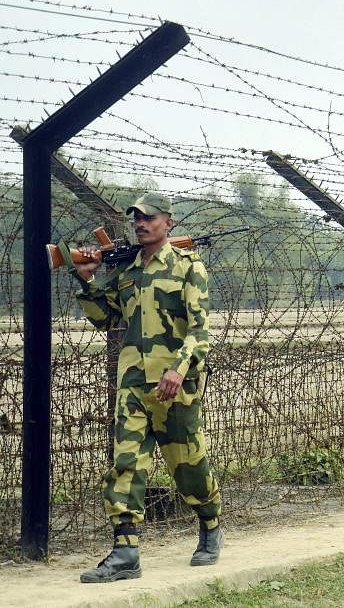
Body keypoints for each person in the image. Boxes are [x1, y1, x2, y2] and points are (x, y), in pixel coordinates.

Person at [69, 193, 223, 582]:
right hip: (133, 384)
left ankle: (210, 524)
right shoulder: (127, 271)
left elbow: (200, 331)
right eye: (136, 218)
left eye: (149, 217)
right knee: (126, 464)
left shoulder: (189, 267)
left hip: (176, 385)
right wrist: (86, 280)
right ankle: (125, 553)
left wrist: (178, 368)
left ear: (168, 222)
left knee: (187, 466)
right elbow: (106, 320)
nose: (141, 223)